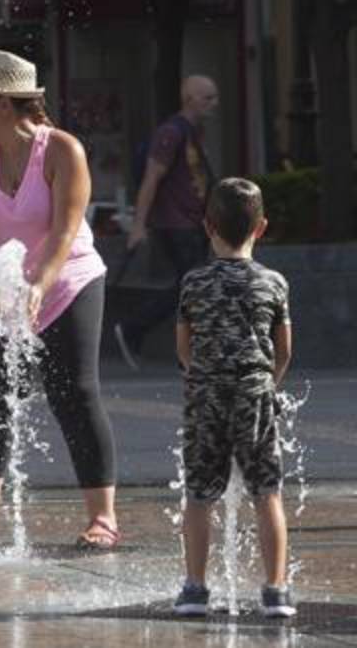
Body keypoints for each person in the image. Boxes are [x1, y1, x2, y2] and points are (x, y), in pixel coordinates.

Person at [0, 49, 118, 548]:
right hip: (2, 287)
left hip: (68, 282)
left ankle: (103, 517)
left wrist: (40, 285)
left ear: (4, 103)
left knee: (75, 393)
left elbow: (65, 231)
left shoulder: (63, 150)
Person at [172, 177, 295, 618]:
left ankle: (195, 590)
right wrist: (266, 383)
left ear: (208, 226)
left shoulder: (193, 282)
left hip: (206, 394)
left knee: (199, 495)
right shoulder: (274, 283)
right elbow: (284, 350)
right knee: (267, 492)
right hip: (255, 392)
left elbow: (183, 347)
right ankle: (276, 591)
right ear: (261, 228)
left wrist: (202, 375)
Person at [114, 75, 219, 370]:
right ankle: (135, 328)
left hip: (192, 223)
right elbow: (151, 179)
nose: (214, 104)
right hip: (176, 224)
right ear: (189, 98)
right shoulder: (171, 133)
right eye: (208, 98)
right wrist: (138, 226)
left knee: (194, 285)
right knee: (193, 284)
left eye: (215, 97)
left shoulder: (193, 133)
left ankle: (186, 350)